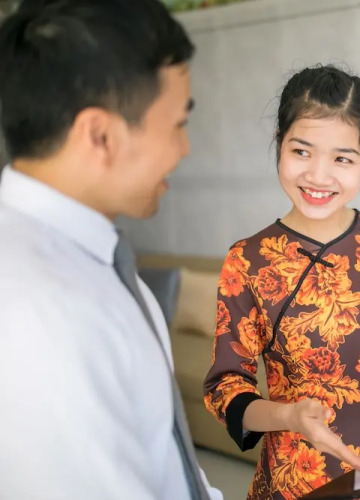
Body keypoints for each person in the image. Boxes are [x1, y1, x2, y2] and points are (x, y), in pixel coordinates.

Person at [0, 1, 221, 498]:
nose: (184, 149)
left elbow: (167, 467)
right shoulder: (40, 311)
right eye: (178, 124)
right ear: (100, 135)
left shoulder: (95, 266)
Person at [204, 65, 360, 499]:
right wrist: (289, 417)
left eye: (342, 158)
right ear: (279, 143)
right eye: (301, 151)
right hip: (294, 483)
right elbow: (226, 389)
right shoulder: (247, 260)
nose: (317, 175)